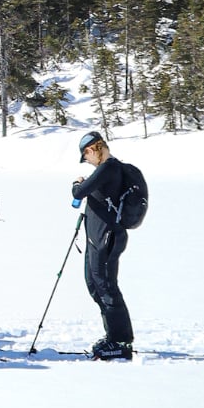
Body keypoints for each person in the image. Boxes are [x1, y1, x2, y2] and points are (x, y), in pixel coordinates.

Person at [70, 130, 145, 360]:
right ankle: (113, 335)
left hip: (107, 237)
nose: (87, 161)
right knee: (95, 284)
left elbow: (79, 192)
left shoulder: (109, 168)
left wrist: (77, 183)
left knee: (106, 286)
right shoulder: (107, 170)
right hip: (98, 238)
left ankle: (120, 341)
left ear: (91, 150)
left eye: (86, 156)